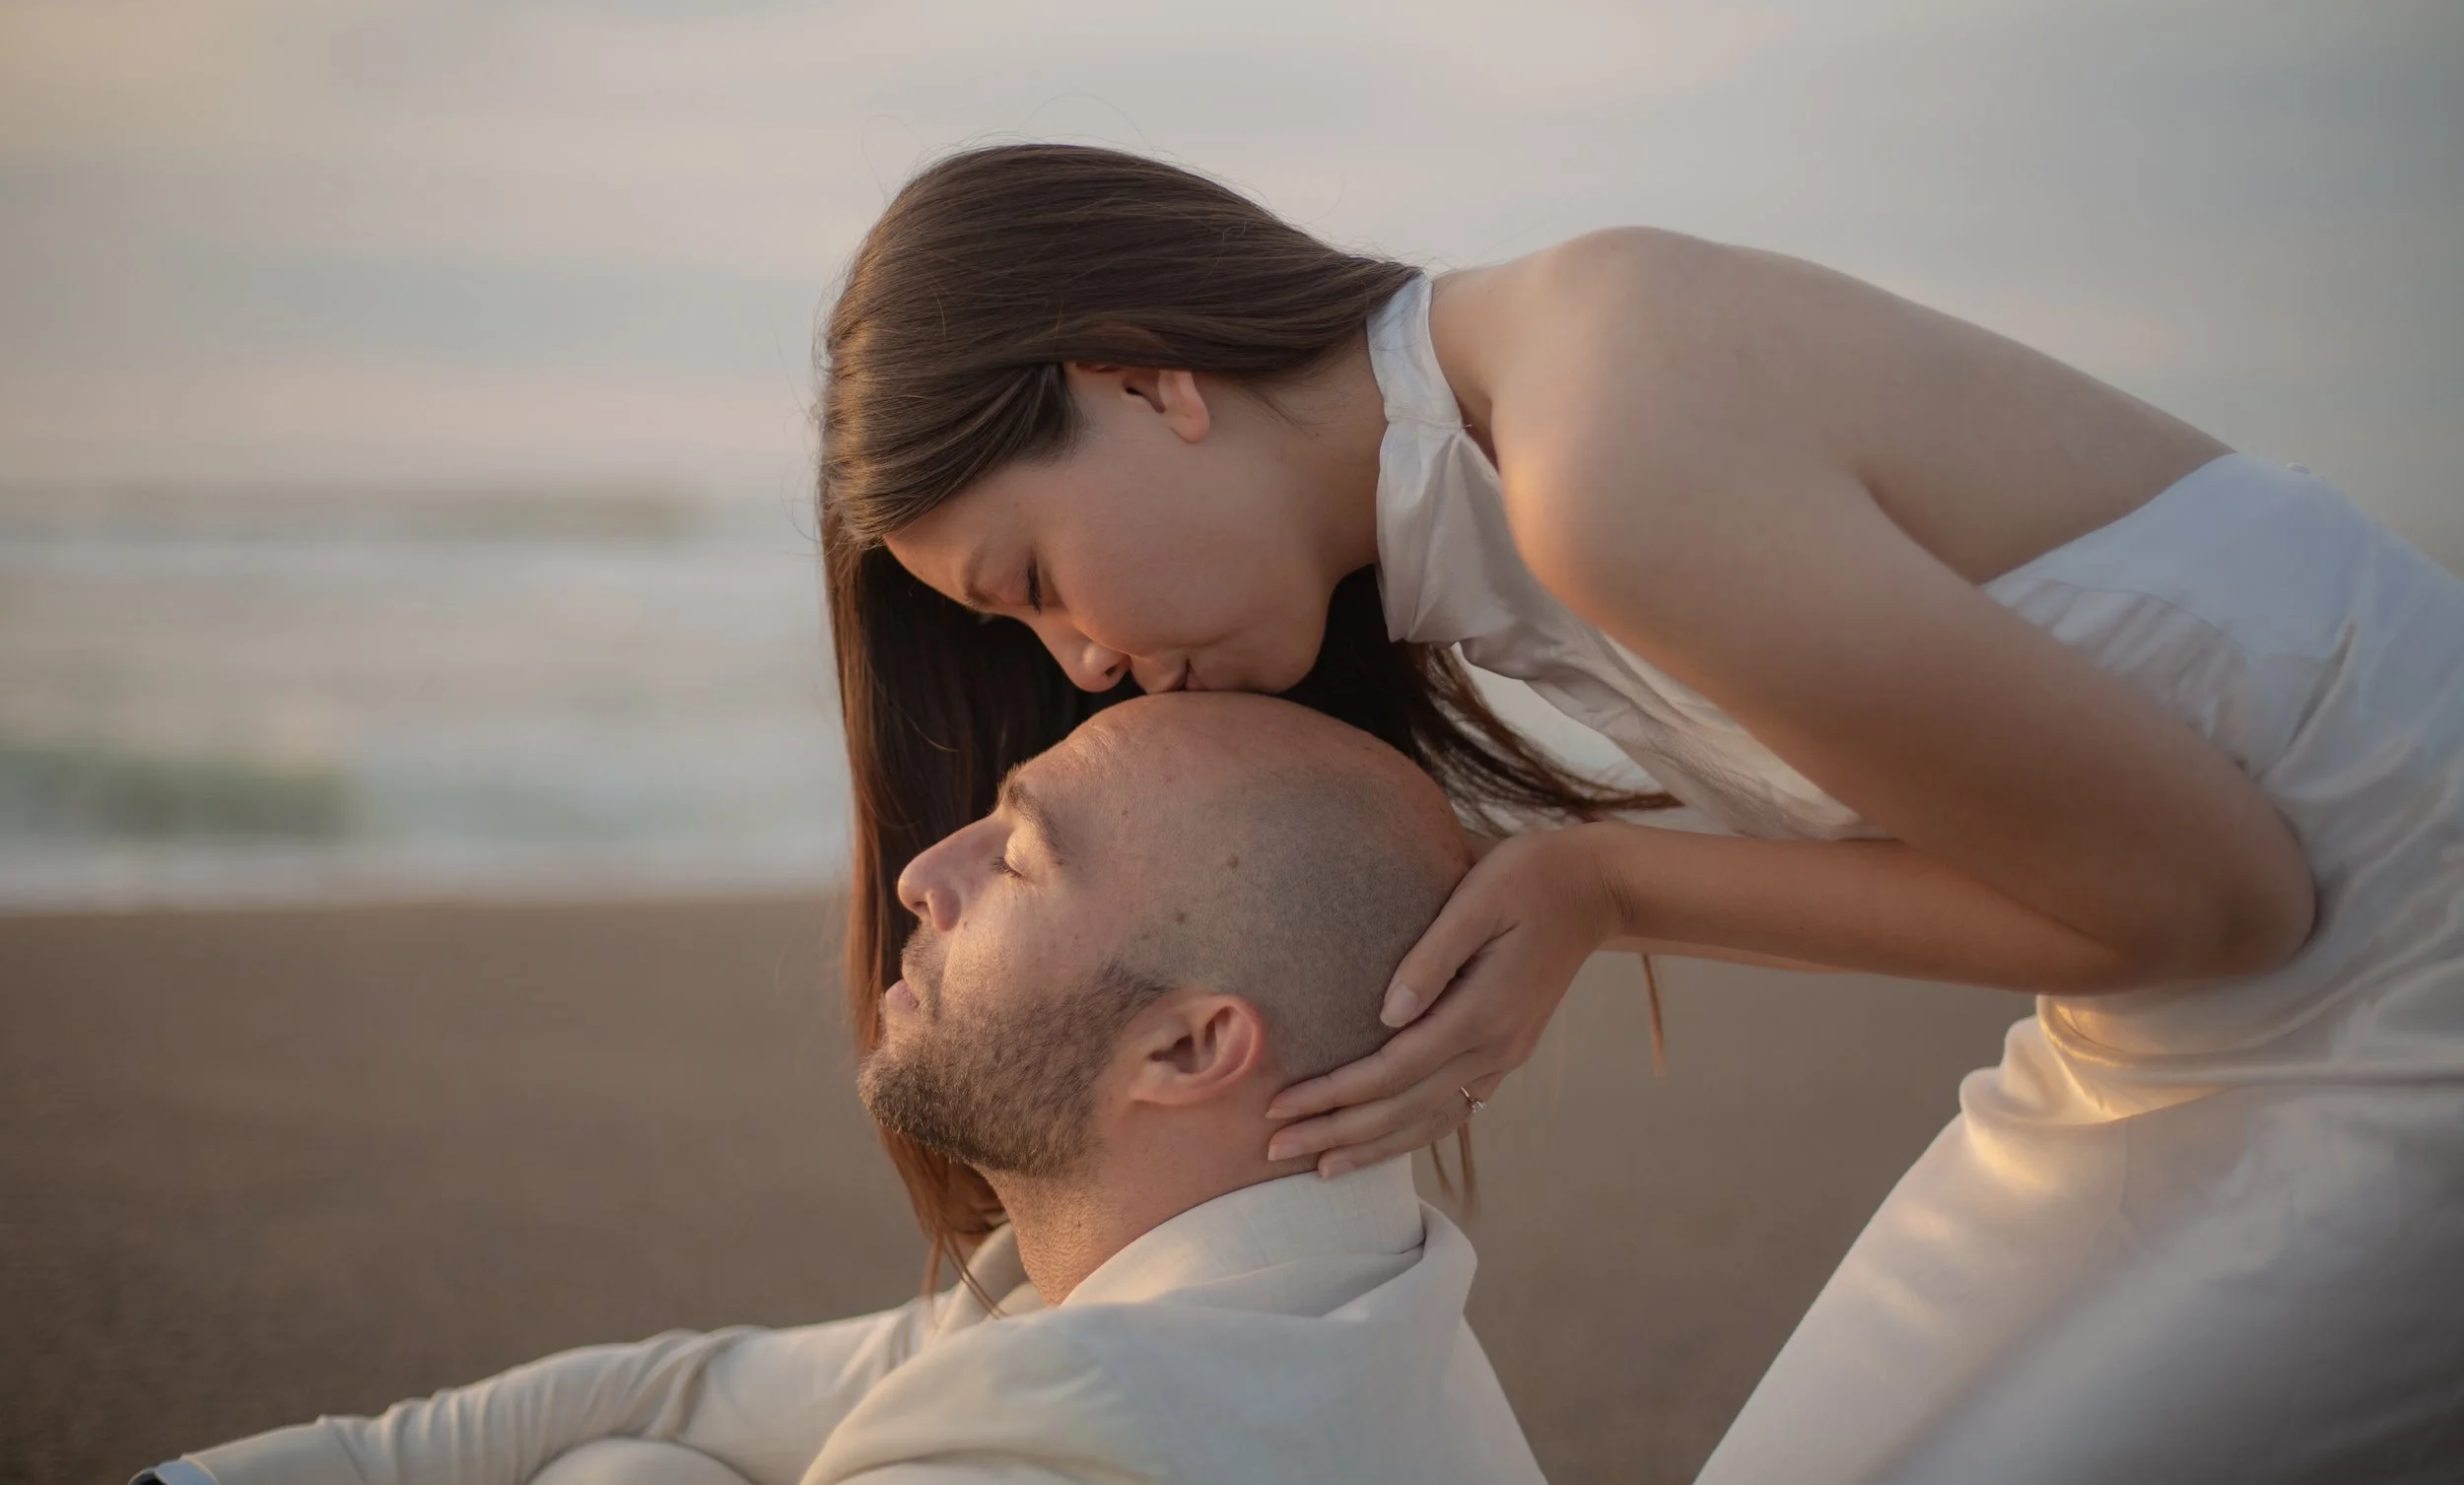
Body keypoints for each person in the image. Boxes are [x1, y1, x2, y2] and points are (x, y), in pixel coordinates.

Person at [820, 143, 2464, 1483]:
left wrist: (1607, 886)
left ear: (1142, 380)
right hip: (2172, 1035)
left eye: (1032, 582)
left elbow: (2224, 902)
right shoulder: (1509, 455)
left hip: (2403, 996)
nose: (1087, 663)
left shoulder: (1602, 463)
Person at [138, 693, 1545, 1485]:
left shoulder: (1063, 1444)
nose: (925, 875)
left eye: (1020, 857)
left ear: (1186, 1050)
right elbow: (697, 1381)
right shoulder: (1340, 1284)